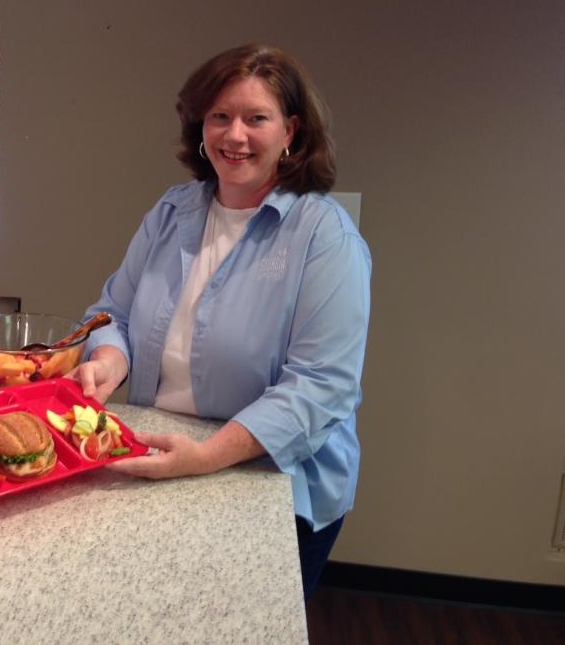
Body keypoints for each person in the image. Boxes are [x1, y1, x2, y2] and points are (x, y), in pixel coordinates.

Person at [69, 43, 371, 599]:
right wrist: (108, 357)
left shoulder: (324, 238)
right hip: (161, 453)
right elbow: (112, 312)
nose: (235, 136)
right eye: (220, 117)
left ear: (291, 133)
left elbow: (322, 387)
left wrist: (207, 457)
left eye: (257, 118)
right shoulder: (173, 210)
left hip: (270, 479)